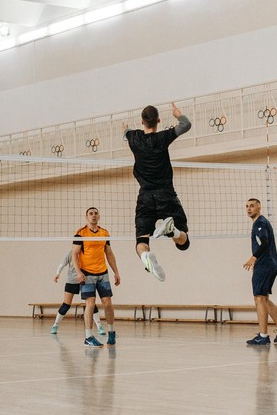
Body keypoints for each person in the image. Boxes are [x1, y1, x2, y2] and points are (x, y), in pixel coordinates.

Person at [123, 102, 192, 282]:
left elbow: (126, 132)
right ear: (158, 121)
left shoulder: (133, 138)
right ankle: (173, 232)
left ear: (142, 121)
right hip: (166, 193)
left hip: (144, 196)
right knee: (184, 243)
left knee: (141, 241)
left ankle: (145, 257)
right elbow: (186, 125)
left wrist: (126, 129)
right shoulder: (163, 137)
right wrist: (178, 115)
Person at [73, 207, 121, 347]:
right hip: (87, 273)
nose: (93, 216)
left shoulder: (104, 233)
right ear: (86, 217)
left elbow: (109, 253)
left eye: (96, 213)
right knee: (90, 303)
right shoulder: (80, 233)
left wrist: (116, 272)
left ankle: (111, 332)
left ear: (99, 216)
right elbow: (74, 254)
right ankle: (88, 337)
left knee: (107, 303)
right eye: (91, 214)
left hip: (102, 273)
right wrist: (78, 272)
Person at [242, 198, 277, 345]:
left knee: (259, 299)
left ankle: (263, 335)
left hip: (264, 264)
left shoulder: (260, 223)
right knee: (264, 299)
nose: (249, 209)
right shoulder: (260, 222)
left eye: (252, 206)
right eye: (247, 206)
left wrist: (253, 257)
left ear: (259, 207)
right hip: (271, 264)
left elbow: (265, 242)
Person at [50, 247, 105, 335]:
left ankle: (99, 327)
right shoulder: (71, 252)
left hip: (86, 280)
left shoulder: (88, 252)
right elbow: (62, 265)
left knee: (91, 304)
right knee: (66, 304)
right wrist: (57, 273)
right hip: (72, 280)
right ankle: (55, 325)